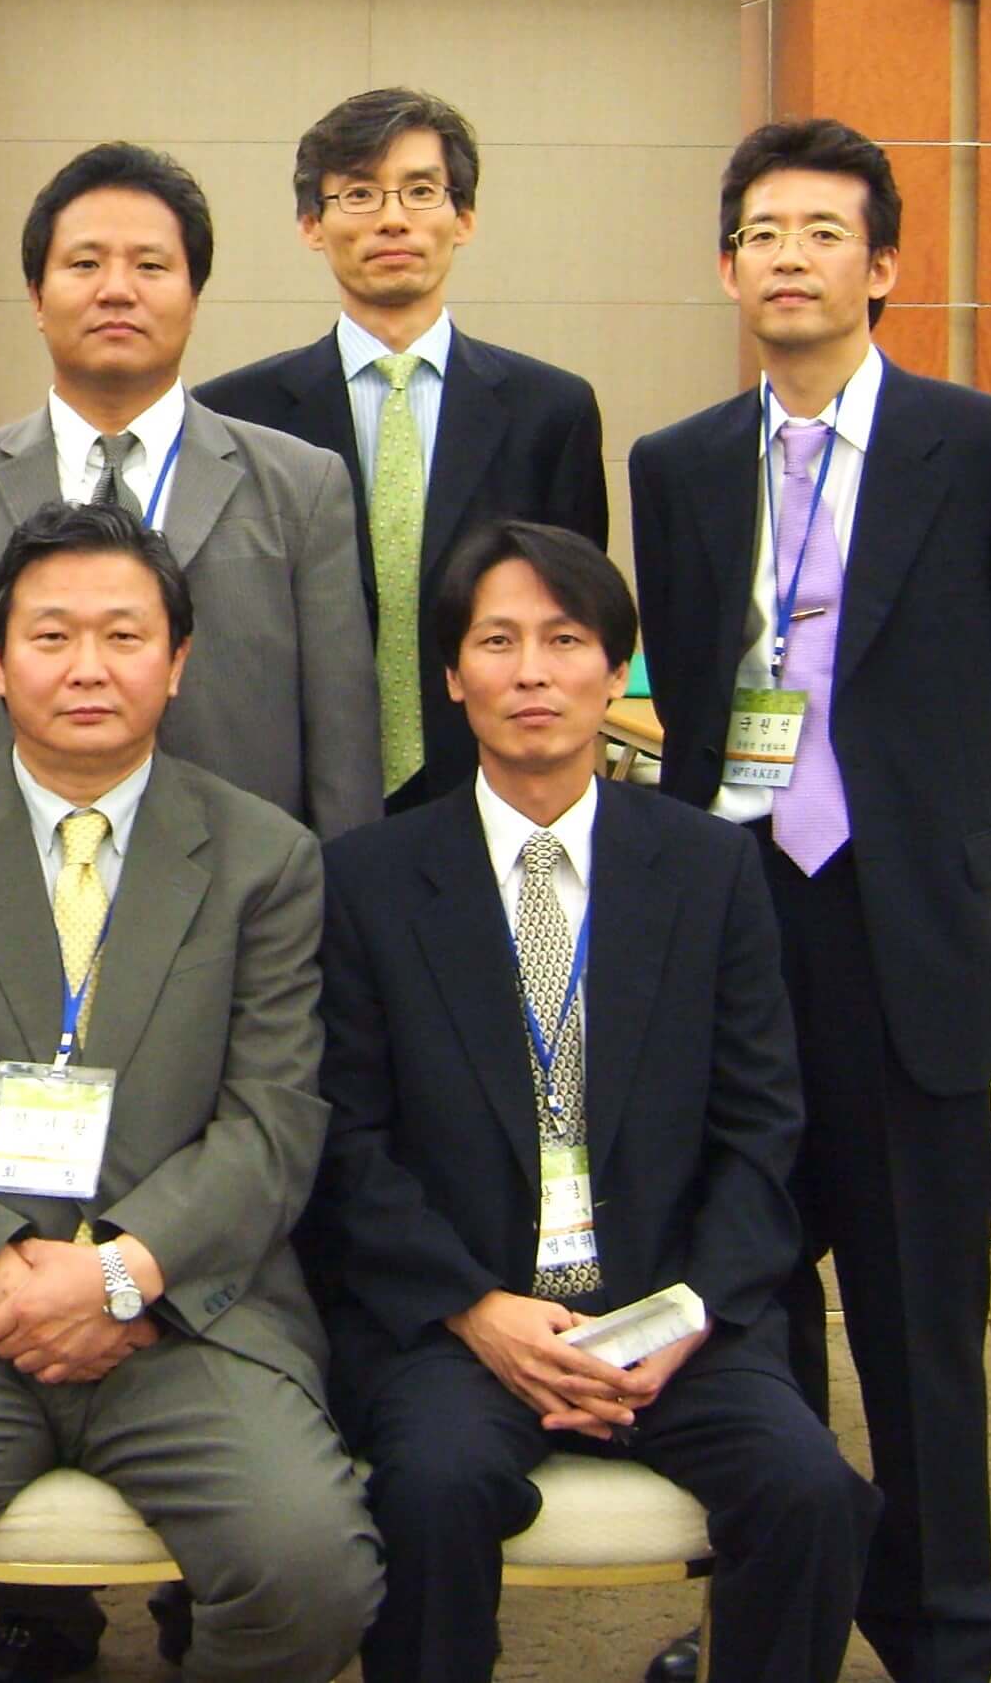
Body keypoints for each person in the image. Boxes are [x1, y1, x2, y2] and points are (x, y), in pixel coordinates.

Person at [0, 500, 382, 1683]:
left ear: (178, 661)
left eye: (123, 635)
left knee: (311, 1571)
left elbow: (274, 1122)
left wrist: (116, 1276)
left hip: (189, 1308)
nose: (87, 667)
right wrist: (2, 1279)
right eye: (50, 636)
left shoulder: (266, 858)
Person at [630, 119, 991, 1683]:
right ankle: (773, 1625)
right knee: (748, 1305)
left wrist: (907, 827)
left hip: (904, 932)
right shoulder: (680, 465)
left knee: (916, 1319)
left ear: (881, 266)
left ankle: (943, 1630)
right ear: (726, 267)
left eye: (823, 232)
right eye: (762, 232)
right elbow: (695, 701)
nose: (790, 258)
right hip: (740, 920)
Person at [311, 520, 877, 1683]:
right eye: (498, 642)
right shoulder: (366, 880)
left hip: (670, 1305)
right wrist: (476, 1310)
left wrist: (686, 1315)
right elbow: (347, 1142)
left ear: (616, 674)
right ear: (452, 676)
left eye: (566, 640)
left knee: (812, 1493)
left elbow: (763, 1126)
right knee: (430, 1489)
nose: (532, 672)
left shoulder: (709, 869)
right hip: (464, 1321)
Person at [0, 140, 381, 834]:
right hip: (4, 885)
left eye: (150, 265)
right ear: (37, 298)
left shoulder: (302, 488)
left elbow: (341, 749)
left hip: (244, 887)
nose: (116, 289)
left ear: (193, 297)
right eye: (84, 264)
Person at [198, 87, 607, 812]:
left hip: (491, 788)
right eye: (358, 194)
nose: (392, 218)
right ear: (310, 225)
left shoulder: (551, 412)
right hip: (290, 793)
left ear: (464, 217)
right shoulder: (232, 416)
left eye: (420, 191)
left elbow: (572, 623)